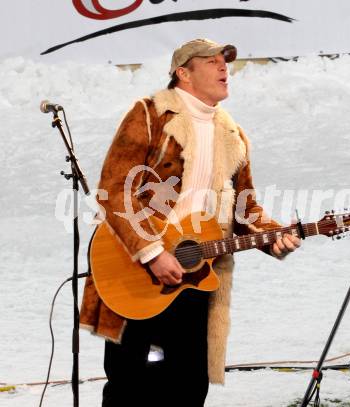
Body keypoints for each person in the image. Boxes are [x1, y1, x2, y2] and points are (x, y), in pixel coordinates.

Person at [79, 38, 301, 406]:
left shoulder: (233, 135)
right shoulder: (150, 116)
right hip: (136, 269)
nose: (223, 68)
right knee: (129, 386)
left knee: (188, 386)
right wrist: (151, 252)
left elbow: (246, 212)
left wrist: (273, 236)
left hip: (195, 276)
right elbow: (115, 189)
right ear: (183, 73)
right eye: (211, 62)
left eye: (224, 62)